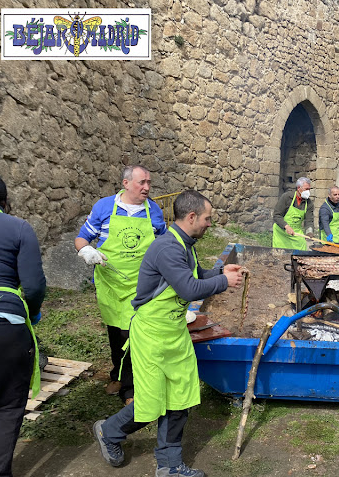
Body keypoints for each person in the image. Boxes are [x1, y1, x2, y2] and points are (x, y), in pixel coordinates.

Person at [93, 190, 243, 477]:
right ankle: (108, 432)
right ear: (191, 217)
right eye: (207, 218)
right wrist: (225, 281)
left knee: (181, 397)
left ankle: (170, 465)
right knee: (150, 403)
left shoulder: (185, 245)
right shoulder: (167, 248)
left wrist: (221, 270)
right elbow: (188, 289)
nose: (209, 224)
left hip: (173, 333)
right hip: (151, 335)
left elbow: (195, 275)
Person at [75, 165, 166, 404]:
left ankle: (130, 388)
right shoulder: (104, 207)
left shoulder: (153, 211)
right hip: (110, 285)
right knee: (115, 332)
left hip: (141, 285)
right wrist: (86, 250)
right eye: (141, 182)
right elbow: (82, 237)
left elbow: (164, 244)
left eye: (149, 183)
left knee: (132, 335)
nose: (147, 187)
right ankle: (117, 374)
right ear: (126, 184)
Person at [0, 173, 46, 476]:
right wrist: (30, 315)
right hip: (4, 329)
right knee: (6, 408)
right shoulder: (19, 227)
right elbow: (33, 286)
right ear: (5, 203)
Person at [272, 177, 315, 250]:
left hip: (296, 233)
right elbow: (276, 215)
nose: (308, 192)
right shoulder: (287, 197)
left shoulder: (309, 203)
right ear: (299, 188)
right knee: (280, 255)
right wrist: (286, 226)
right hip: (281, 233)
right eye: (306, 189)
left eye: (309, 189)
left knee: (301, 249)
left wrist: (309, 231)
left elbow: (309, 220)